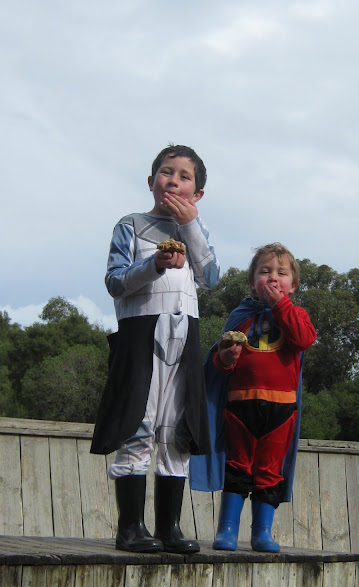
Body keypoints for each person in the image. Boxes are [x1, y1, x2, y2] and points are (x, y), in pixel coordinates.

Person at [91, 144, 220, 555]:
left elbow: (211, 278)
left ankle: (170, 528)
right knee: (138, 423)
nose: (174, 181)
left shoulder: (195, 232)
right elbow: (115, 282)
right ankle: (130, 528)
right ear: (151, 182)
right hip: (140, 336)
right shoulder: (131, 225)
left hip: (184, 339)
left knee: (178, 431)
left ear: (197, 193)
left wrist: (191, 227)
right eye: (167, 172)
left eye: (185, 176)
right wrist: (155, 265)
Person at [190, 243, 316, 552]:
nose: (273, 278)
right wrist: (225, 357)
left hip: (282, 409)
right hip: (240, 405)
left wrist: (280, 306)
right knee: (237, 466)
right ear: (252, 282)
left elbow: (303, 339)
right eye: (265, 271)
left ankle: (262, 533)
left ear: (293, 285)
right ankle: (227, 530)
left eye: (281, 273)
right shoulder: (240, 316)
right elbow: (219, 363)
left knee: (269, 470)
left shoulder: (296, 314)